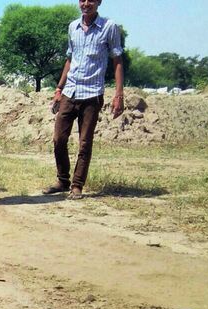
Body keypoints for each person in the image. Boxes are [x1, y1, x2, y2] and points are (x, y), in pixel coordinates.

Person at [42, 0, 124, 200]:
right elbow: (70, 59)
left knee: (85, 142)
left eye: (91, 0)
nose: (86, 4)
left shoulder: (109, 27)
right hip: (70, 91)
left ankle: (77, 185)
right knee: (58, 139)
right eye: (82, 0)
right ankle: (63, 180)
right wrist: (59, 89)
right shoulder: (73, 27)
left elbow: (117, 60)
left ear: (99, 2)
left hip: (92, 93)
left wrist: (119, 95)